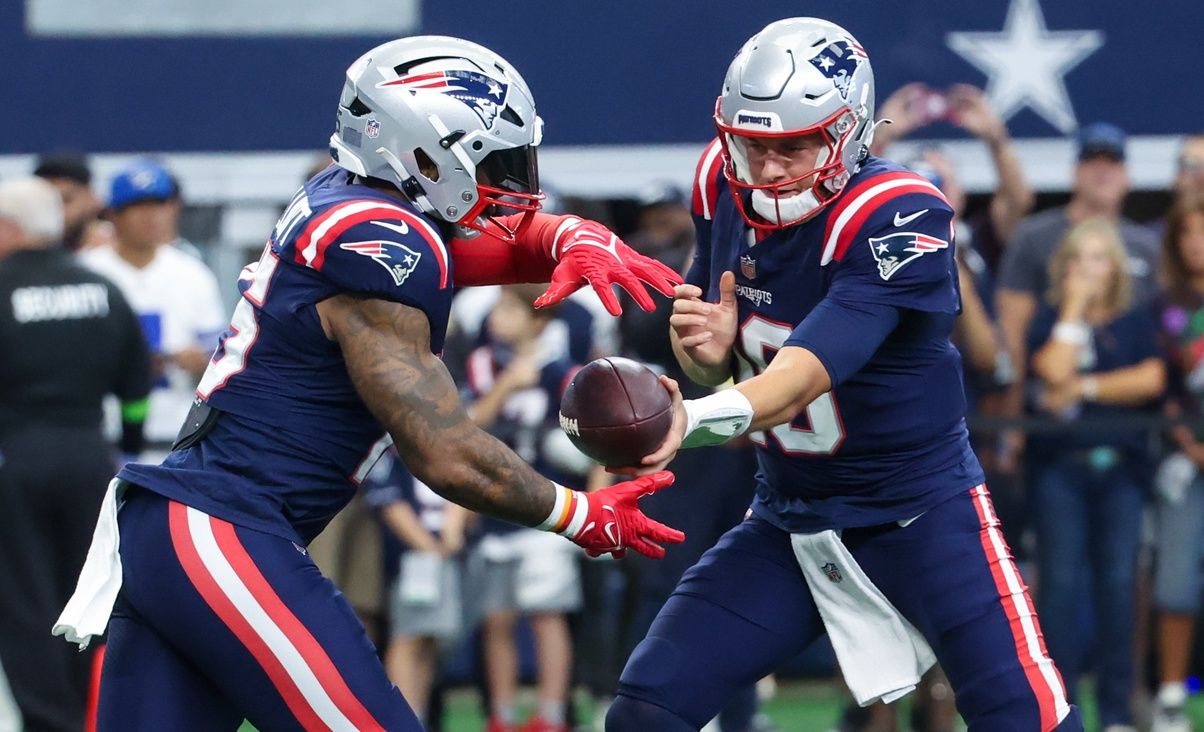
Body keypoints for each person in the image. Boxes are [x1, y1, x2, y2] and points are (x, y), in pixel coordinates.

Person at [54, 35, 685, 731]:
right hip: (222, 529)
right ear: (421, 153)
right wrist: (579, 515)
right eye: (492, 160)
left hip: (178, 528)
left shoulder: (349, 200)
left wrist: (567, 235)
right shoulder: (377, 245)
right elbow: (445, 453)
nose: (512, 180)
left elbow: (450, 251)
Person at [605, 18, 1082, 732]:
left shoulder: (898, 213)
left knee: (1027, 721)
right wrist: (706, 355)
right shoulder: (719, 178)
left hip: (919, 516)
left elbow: (802, 374)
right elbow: (720, 349)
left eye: (790, 145)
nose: (764, 168)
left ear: (847, 133)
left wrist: (689, 419)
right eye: (752, 143)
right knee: (647, 711)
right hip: (789, 520)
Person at [0, 177, 150, 732]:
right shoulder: (101, 290)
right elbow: (137, 391)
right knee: (88, 598)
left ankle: (49, 721)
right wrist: (127, 450)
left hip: (17, 461)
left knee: (24, 601)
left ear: (8, 229)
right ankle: (97, 718)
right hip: (91, 459)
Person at [1026, 219, 1165, 731]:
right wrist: (1074, 309)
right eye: (1080, 258)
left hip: (1122, 471)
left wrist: (1084, 390)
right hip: (1060, 470)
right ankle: (1063, 709)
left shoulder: (1134, 320)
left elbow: (1150, 377)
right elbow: (1051, 369)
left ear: (1116, 268)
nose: (1090, 269)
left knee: (1118, 586)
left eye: (1100, 258)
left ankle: (1115, 712)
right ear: (1066, 266)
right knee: (1059, 588)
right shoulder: (1048, 317)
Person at [80, 159, 228, 458]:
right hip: (102, 429)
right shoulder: (87, 271)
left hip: (176, 429)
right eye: (139, 206)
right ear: (114, 215)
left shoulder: (192, 273)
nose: (152, 217)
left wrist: (195, 359)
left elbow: (222, 357)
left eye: (159, 205)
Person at [1150, 198, 1204, 732]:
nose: (1199, 243)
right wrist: (1190, 446)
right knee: (1175, 583)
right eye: (1191, 233)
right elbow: (1161, 391)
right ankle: (1170, 695)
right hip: (1184, 464)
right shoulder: (1164, 305)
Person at [33, 152, 103, 253]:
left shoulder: (117, 252)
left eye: (65, 200)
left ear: (92, 199)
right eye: (45, 202)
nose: (55, 211)